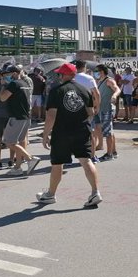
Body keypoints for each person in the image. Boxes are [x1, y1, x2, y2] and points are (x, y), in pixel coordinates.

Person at [37, 63, 102, 207]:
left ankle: (51, 194)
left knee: (57, 163)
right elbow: (91, 113)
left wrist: (45, 134)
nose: (59, 76)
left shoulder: (56, 91)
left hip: (62, 132)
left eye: (60, 74)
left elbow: (50, 116)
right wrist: (83, 123)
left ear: (66, 75)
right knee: (86, 161)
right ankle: (95, 192)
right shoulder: (84, 90)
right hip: (81, 130)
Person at [0, 64, 39, 176]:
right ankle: (17, 167)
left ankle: (30, 159)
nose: (6, 76)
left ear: (14, 73)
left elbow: (3, 98)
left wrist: (3, 86)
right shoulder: (25, 83)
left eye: (7, 74)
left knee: (9, 142)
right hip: (25, 117)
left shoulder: (13, 84)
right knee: (19, 144)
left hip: (16, 117)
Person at [73, 60, 101, 160]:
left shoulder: (72, 78)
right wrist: (97, 106)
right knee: (90, 132)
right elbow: (96, 93)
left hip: (74, 108)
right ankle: (92, 156)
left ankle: (75, 155)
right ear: (84, 67)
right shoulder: (89, 78)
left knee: (74, 132)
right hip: (88, 107)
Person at [94, 64, 121, 161]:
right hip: (102, 109)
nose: (95, 73)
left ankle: (109, 154)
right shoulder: (99, 81)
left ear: (101, 72)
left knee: (108, 133)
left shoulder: (109, 80)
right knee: (110, 132)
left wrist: (114, 96)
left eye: (97, 71)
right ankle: (113, 151)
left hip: (107, 109)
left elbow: (117, 89)